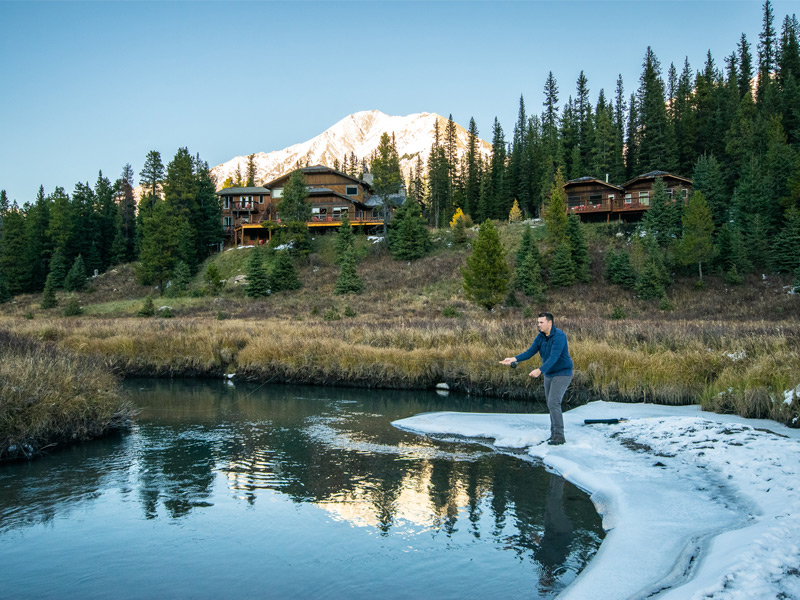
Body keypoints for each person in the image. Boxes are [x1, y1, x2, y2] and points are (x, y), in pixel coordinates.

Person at [500, 313, 573, 445]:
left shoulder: (559, 336)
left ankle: (559, 437)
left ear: (549, 323)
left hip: (562, 373)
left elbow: (554, 357)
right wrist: (514, 359)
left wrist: (540, 370)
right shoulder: (540, 337)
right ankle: (553, 435)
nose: (538, 325)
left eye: (541, 322)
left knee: (553, 402)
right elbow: (530, 352)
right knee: (550, 403)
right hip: (549, 373)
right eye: (538, 322)